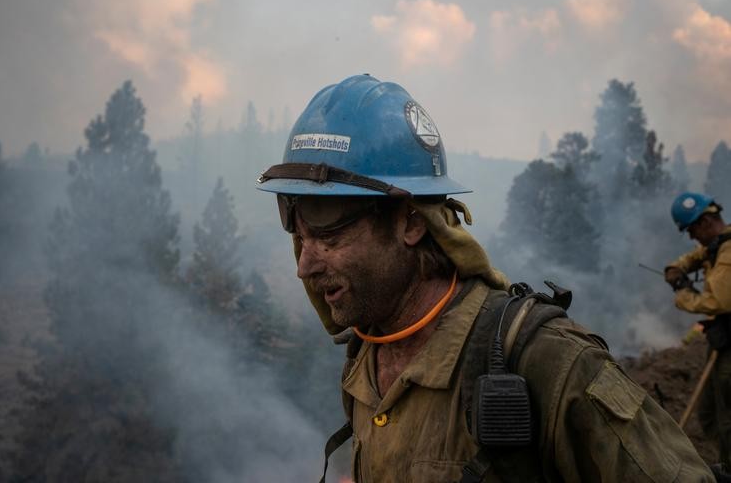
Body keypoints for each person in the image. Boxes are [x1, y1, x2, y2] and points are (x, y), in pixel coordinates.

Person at [257, 74, 713, 482]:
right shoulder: (366, 356)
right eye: (297, 232)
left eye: (330, 233)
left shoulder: (545, 362)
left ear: (411, 223)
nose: (305, 265)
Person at [666, 192, 731, 472]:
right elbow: (699, 254)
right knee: (708, 412)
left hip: (730, 343)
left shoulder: (728, 253)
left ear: (705, 222)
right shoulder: (717, 245)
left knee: (727, 414)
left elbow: (719, 301)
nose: (693, 238)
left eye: (692, 230)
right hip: (722, 339)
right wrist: (678, 267)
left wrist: (683, 293)